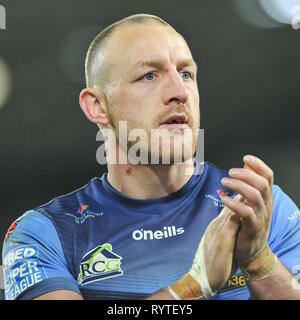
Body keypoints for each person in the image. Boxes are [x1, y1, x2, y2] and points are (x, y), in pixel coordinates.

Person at [2, 13, 300, 300]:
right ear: (97, 106)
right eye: (148, 76)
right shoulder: (45, 233)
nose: (179, 91)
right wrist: (195, 285)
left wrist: (259, 261)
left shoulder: (259, 207)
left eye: (186, 73)